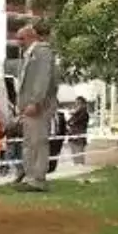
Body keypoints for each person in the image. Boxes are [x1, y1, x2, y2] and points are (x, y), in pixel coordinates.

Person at [14, 22, 60, 192]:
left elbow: (42, 78)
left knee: (38, 141)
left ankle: (38, 179)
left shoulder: (42, 52)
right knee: (29, 142)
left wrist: (35, 101)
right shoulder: (30, 54)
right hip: (28, 106)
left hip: (39, 106)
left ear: (31, 36)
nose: (18, 42)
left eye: (21, 38)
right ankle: (30, 176)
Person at [68, 97, 90, 165]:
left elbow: (75, 121)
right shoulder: (75, 114)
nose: (77, 105)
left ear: (83, 104)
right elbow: (69, 122)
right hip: (72, 137)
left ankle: (80, 168)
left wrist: (73, 120)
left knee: (79, 156)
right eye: (76, 103)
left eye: (79, 103)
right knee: (74, 156)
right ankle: (76, 167)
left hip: (79, 138)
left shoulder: (84, 113)